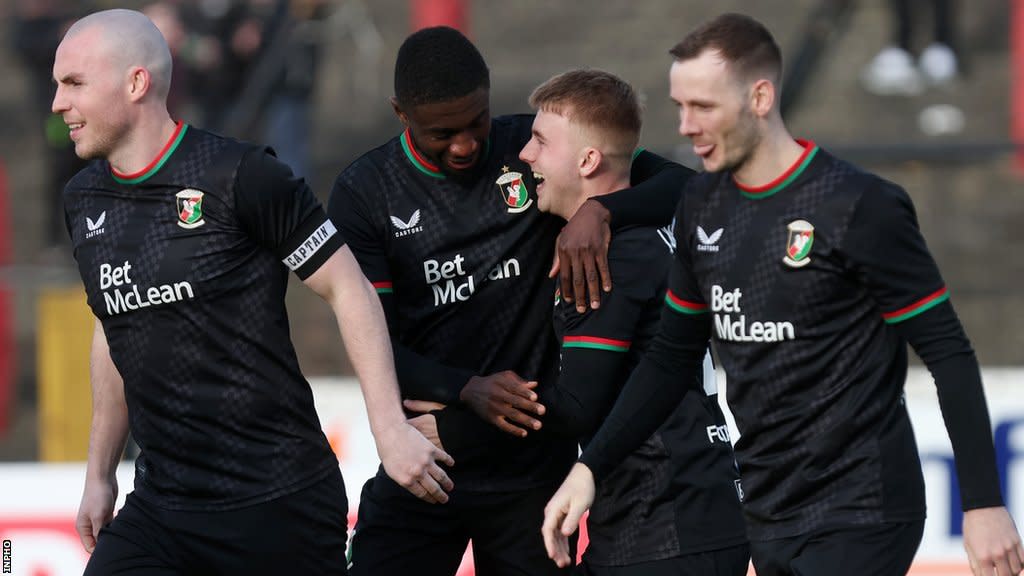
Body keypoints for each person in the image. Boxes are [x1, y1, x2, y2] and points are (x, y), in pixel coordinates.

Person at [542, 13, 1024, 576]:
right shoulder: (701, 209)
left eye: (703, 107)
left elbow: (948, 353)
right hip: (768, 510)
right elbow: (670, 359)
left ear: (760, 97)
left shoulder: (858, 205)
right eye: (680, 106)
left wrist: (985, 502)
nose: (687, 125)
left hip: (861, 504)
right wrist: (591, 468)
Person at [54, 9, 452, 575]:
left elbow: (347, 287)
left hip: (278, 503)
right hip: (163, 509)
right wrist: (99, 474)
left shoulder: (240, 177)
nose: (57, 104)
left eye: (73, 84)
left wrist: (387, 428)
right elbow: (114, 325)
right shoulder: (83, 198)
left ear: (136, 83)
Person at [327, 26, 687, 576]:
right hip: (429, 464)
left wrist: (605, 210)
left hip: (532, 477)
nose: (466, 143)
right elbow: (370, 338)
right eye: (442, 133)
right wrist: (466, 389)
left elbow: (688, 184)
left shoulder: (533, 152)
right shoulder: (365, 191)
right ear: (402, 113)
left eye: (476, 121)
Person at [518, 68, 749, 576]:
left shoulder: (608, 258)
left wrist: (465, 411)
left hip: (664, 525)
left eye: (538, 141)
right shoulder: (655, 231)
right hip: (683, 513)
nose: (524, 155)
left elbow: (577, 408)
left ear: (588, 160)